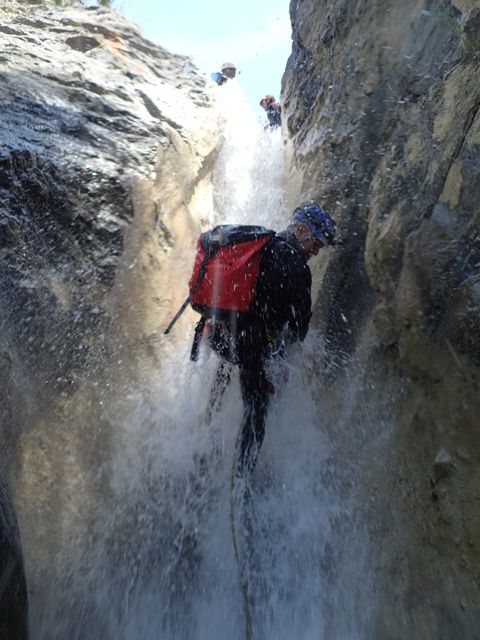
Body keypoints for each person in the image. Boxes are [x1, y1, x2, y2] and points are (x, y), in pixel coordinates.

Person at [206, 202, 336, 476]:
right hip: (250, 349)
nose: (316, 250)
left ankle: (207, 424)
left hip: (223, 337)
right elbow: (299, 328)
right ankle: (241, 483)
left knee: (228, 366)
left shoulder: (262, 244)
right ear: (301, 229)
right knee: (257, 415)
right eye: (317, 241)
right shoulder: (298, 269)